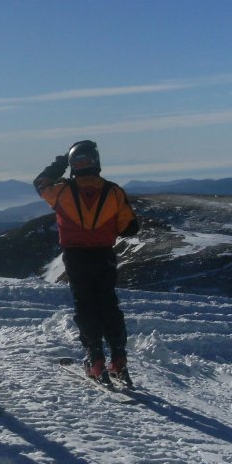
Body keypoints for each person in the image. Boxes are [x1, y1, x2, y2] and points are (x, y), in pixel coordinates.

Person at [33, 140, 139, 385]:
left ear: (72, 166)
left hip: (76, 257)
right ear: (97, 162)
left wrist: (58, 163)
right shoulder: (113, 192)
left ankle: (96, 361)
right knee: (109, 305)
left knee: (86, 307)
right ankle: (119, 360)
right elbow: (130, 227)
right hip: (104, 255)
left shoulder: (61, 191)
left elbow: (40, 182)